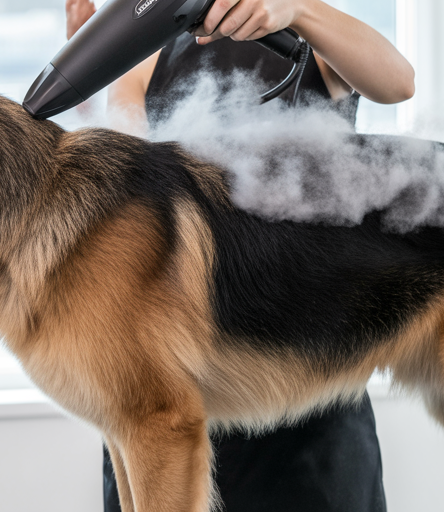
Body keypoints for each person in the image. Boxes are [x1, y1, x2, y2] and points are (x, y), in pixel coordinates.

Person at [63, 1, 415, 511]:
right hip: (186, 379)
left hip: (309, 386)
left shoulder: (309, 39)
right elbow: (129, 202)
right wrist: (96, 72)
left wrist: (297, 11)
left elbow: (398, 82)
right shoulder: (148, 62)